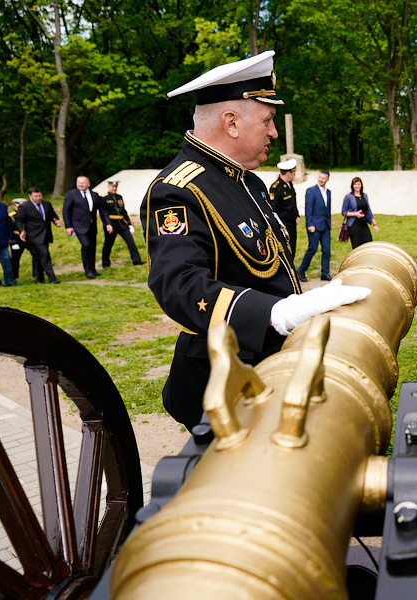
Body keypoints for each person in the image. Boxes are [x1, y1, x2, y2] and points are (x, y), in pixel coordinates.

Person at [141, 50, 370, 430]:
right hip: (226, 380)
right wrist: (274, 313)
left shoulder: (247, 180)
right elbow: (178, 284)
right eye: (267, 120)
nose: (274, 132)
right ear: (231, 122)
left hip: (270, 366)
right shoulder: (178, 189)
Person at [64, 175, 113, 278]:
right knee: (86, 245)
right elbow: (66, 211)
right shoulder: (71, 194)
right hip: (78, 226)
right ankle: (87, 271)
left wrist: (108, 223)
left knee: (92, 247)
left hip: (92, 226)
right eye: (79, 182)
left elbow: (102, 211)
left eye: (83, 183)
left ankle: (93, 269)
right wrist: (68, 226)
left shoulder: (95, 195)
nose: (80, 184)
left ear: (88, 184)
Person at [15, 186, 62, 284]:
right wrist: (21, 231)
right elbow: (18, 221)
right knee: (45, 254)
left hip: (46, 234)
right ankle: (52, 278)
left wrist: (57, 221)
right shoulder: (24, 206)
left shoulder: (47, 204)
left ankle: (39, 279)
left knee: (38, 256)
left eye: (40, 195)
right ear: (30, 196)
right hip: (33, 236)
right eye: (36, 196)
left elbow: (53, 215)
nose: (38, 198)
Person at [297, 170, 332, 282]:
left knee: (327, 250)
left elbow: (327, 209)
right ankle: (301, 270)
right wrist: (309, 224)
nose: (321, 179)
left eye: (323, 178)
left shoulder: (328, 192)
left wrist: (329, 223)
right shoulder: (311, 191)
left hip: (325, 225)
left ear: (327, 179)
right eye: (320, 177)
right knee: (312, 249)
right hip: (314, 226)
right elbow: (308, 209)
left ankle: (325, 273)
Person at [101, 180, 145, 267]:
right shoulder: (104, 199)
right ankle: (105, 263)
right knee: (108, 244)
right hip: (112, 224)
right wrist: (107, 224)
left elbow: (123, 211)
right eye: (112, 186)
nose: (114, 188)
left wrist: (129, 223)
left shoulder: (119, 197)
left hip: (121, 224)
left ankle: (136, 260)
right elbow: (103, 213)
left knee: (130, 241)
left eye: (115, 187)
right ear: (108, 187)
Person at [269, 158, 299, 256]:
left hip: (292, 222)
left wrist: (296, 215)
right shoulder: (276, 188)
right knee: (286, 250)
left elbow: (292, 202)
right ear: (289, 173)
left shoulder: (289, 184)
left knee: (293, 248)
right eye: (293, 173)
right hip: (283, 223)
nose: (294, 175)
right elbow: (272, 209)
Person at [341, 177, 379, 249]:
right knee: (357, 247)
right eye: (355, 184)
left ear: (361, 185)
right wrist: (355, 214)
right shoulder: (348, 197)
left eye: (358, 184)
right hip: (354, 225)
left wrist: (375, 224)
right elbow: (344, 212)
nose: (357, 186)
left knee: (369, 245)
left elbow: (369, 211)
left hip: (364, 224)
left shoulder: (365, 196)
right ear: (352, 186)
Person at [0, 200, 16, 286]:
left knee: (6, 260)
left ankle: (9, 281)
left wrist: (9, 237)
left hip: (2, 240)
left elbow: (8, 222)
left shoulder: (3, 206)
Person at [8, 199, 26, 281]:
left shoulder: (27, 214)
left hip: (27, 238)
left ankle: (36, 274)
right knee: (15, 258)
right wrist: (11, 239)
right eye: (19, 207)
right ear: (15, 206)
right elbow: (9, 228)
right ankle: (14, 277)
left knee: (36, 254)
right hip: (16, 238)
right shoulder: (11, 216)